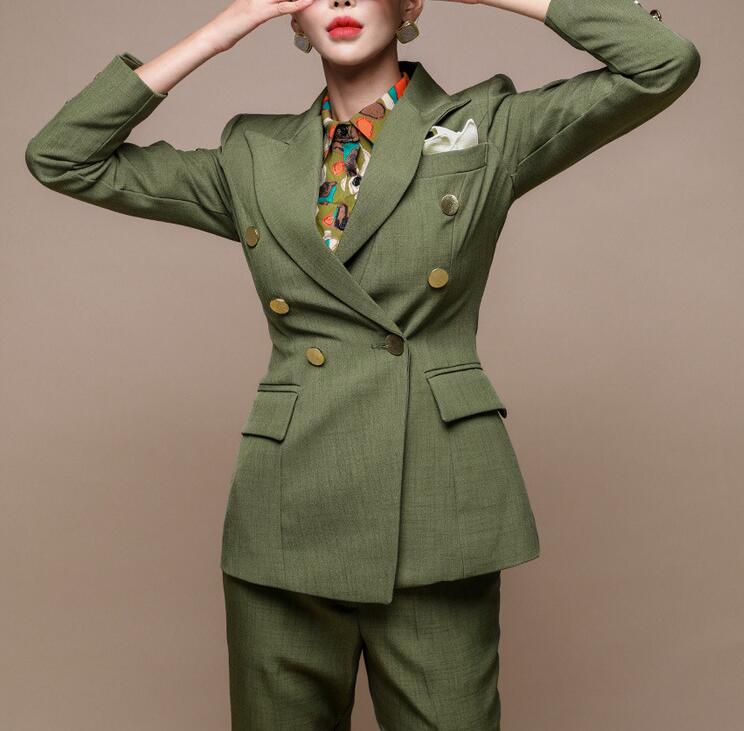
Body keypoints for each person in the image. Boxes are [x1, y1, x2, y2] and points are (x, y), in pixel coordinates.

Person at [25, 0, 700, 727]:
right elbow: (61, 156)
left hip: (437, 503)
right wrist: (225, 29)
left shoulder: (484, 127)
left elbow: (663, 63)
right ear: (293, 15)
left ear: (409, 4)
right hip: (287, 510)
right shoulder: (252, 156)